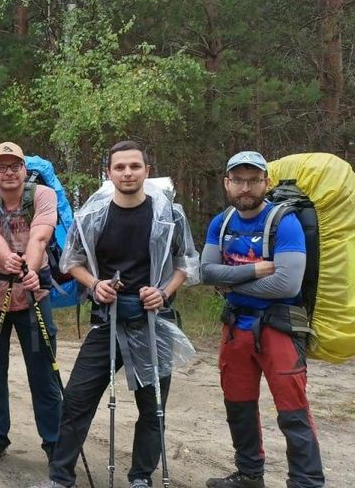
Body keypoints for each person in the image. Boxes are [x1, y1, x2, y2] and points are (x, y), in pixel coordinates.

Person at [34, 140, 199, 488]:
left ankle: (141, 477)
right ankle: (60, 478)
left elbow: (186, 263)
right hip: (106, 321)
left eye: (134, 167)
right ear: (109, 173)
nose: (127, 173)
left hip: (153, 322)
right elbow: (71, 262)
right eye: (120, 167)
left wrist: (164, 292)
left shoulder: (169, 214)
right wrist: (95, 285)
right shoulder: (93, 215)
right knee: (77, 399)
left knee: (152, 407)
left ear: (146, 171)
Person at [201, 151, 324, 488]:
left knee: (292, 411)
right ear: (227, 183)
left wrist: (231, 282)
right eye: (238, 180)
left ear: (265, 183)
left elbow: (287, 283)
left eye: (253, 180)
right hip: (235, 327)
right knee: (238, 406)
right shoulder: (221, 222)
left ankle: (307, 482)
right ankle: (249, 475)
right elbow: (206, 272)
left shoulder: (285, 221)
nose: (246, 187)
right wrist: (255, 270)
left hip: (280, 326)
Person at [0, 142, 61, 464]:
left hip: (36, 295)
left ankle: (53, 441)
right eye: (1, 166)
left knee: (44, 373)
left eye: (14, 166)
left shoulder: (43, 196)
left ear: (24, 168)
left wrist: (29, 271)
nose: (8, 172)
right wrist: (15, 265)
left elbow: (40, 236)